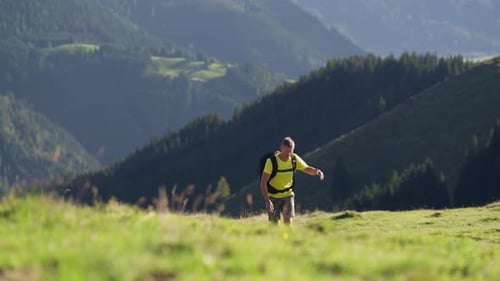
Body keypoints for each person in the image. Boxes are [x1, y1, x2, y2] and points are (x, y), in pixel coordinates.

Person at [260, 137, 324, 224]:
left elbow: (306, 168)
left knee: (288, 221)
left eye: (291, 151)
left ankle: (289, 237)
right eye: (287, 151)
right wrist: (267, 200)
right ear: (281, 148)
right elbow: (263, 182)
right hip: (273, 196)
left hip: (288, 195)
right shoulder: (271, 162)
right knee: (274, 224)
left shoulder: (294, 159)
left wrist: (317, 171)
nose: (289, 154)